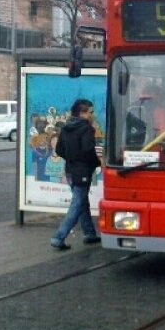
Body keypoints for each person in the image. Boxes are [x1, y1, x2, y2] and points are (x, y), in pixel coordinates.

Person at [50, 99, 101, 250]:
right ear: (82, 113)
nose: (93, 115)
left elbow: (59, 150)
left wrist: (71, 159)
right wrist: (96, 163)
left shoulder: (66, 128)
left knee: (82, 201)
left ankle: (89, 233)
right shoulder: (86, 129)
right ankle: (58, 237)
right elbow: (88, 150)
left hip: (70, 170)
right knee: (78, 204)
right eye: (90, 112)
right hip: (83, 171)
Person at [126, 83, 165, 148]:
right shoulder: (158, 109)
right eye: (160, 95)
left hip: (130, 150)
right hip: (151, 149)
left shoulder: (131, 107)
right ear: (154, 93)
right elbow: (162, 133)